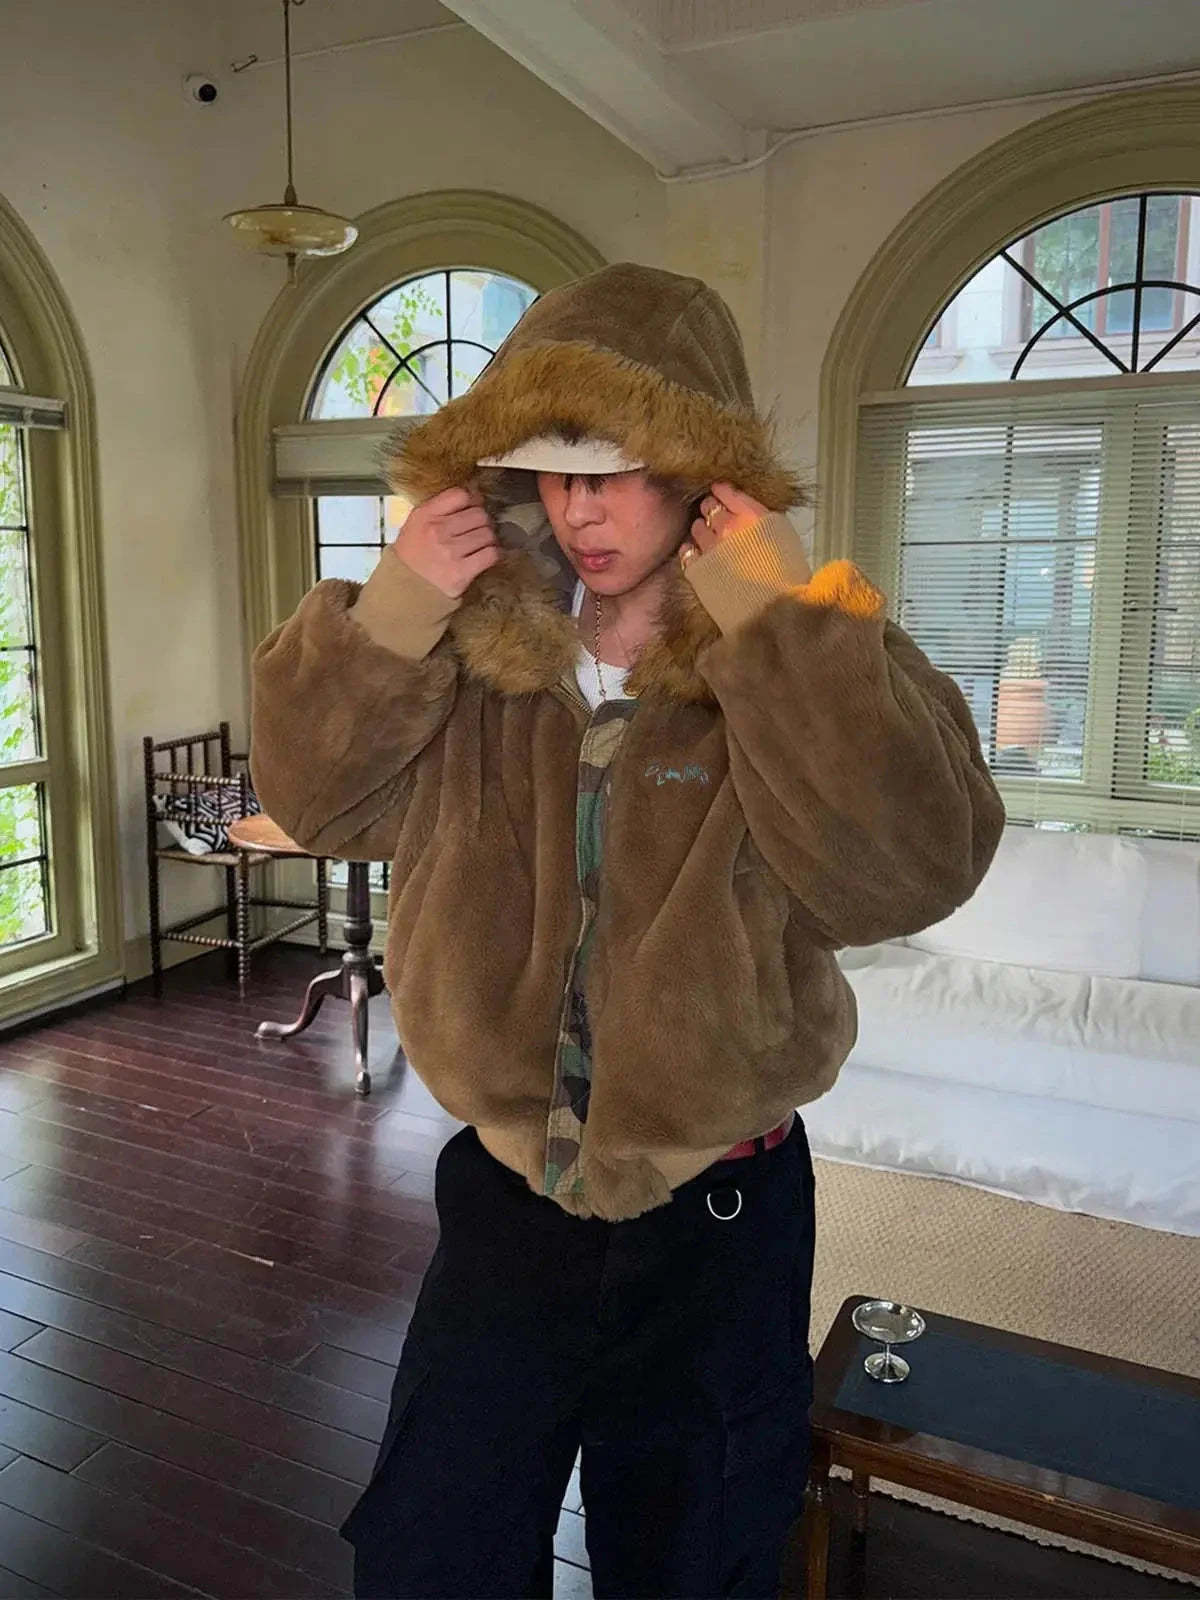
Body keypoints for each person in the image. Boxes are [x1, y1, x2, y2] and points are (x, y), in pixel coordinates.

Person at [250, 262, 1005, 1600]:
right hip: (505, 1205)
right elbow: (316, 802)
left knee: (696, 1563)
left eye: (616, 471)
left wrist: (784, 626)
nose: (579, 509)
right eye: (549, 471)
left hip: (720, 1217)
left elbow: (910, 871)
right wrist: (397, 608)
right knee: (430, 1556)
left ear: (703, 468)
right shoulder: (478, 662)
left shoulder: (809, 646)